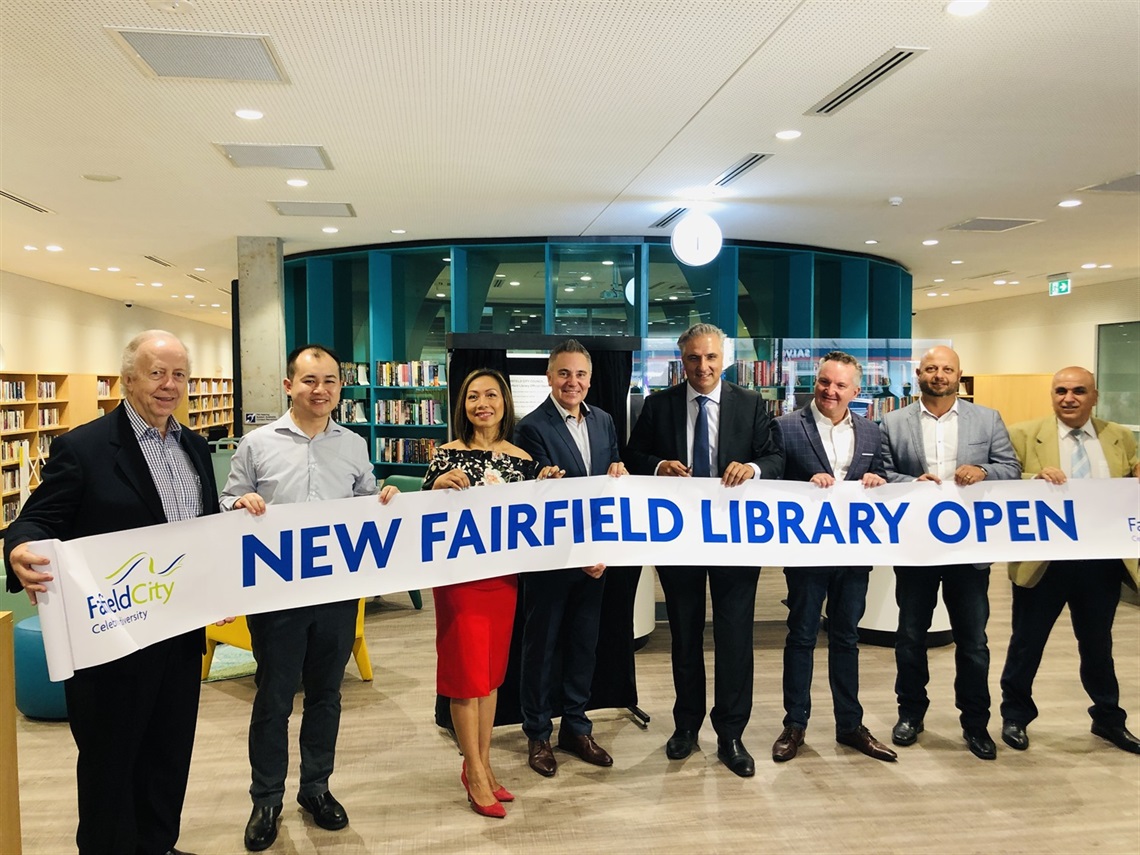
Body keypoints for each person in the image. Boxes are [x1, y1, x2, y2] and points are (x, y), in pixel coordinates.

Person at [3, 330, 219, 855]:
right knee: (109, 765)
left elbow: (204, 527)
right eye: (157, 373)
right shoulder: (83, 446)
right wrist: (20, 549)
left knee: (169, 755)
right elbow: (34, 522)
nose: (170, 386)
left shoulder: (194, 445)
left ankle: (158, 846)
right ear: (128, 378)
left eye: (180, 374)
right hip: (110, 641)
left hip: (180, 634)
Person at [221, 344, 399, 852]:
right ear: (288, 386)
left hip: (337, 593)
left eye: (330, 381)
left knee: (327, 694)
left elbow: (365, 498)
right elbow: (226, 500)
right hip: (276, 596)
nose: (320, 390)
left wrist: (382, 497)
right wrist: (239, 502)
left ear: (340, 388)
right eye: (309, 381)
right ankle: (267, 798)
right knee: (274, 697)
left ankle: (316, 789)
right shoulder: (256, 444)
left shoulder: (353, 443)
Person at [625, 323, 784, 777]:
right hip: (679, 541)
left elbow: (775, 458)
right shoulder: (658, 405)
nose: (703, 367)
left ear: (725, 359)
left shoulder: (752, 404)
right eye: (694, 358)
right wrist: (658, 465)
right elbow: (634, 456)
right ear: (682, 359)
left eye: (711, 358)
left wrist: (752, 467)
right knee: (684, 636)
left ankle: (731, 733)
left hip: (737, 541)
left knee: (736, 638)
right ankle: (686, 726)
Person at [424, 368, 563, 817]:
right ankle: (475, 771)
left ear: (504, 402)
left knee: (490, 675)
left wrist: (550, 490)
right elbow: (420, 523)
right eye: (472, 397)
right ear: (462, 406)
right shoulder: (444, 456)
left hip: (502, 582)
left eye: (491, 395)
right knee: (467, 675)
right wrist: (435, 490)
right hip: (459, 582)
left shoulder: (522, 461)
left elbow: (533, 524)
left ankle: (481, 763)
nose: (482, 403)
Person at [879, 345, 1020, 760]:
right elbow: (883, 474)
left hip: (970, 550)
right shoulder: (892, 421)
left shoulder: (987, 418)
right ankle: (910, 714)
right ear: (918, 374)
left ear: (959, 375)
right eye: (931, 368)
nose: (939, 375)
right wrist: (909, 481)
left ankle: (975, 723)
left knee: (973, 642)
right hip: (917, 549)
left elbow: (1010, 468)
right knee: (909, 637)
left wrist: (985, 471)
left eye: (947, 369)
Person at [998, 366, 1140, 754]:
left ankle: (1108, 719)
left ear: (1095, 396)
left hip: (1101, 561)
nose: (1069, 398)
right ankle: (1015, 717)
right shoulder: (1024, 434)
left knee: (1098, 644)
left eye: (1079, 391)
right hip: (1044, 560)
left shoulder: (1120, 437)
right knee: (1027, 643)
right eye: (1060, 390)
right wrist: (1034, 478)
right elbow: (1004, 483)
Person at [770, 352, 896, 764]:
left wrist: (878, 481)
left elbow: (884, 478)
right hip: (806, 553)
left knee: (846, 638)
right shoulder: (786, 427)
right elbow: (770, 484)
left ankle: (850, 725)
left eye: (841, 385)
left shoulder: (873, 433)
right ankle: (795, 724)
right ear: (816, 382)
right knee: (801, 636)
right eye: (825, 382)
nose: (831, 391)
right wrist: (802, 485)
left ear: (856, 392)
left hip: (855, 555)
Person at [514, 339, 627, 777]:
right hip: (550, 561)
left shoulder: (604, 421)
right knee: (541, 648)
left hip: (595, 560)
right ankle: (538, 734)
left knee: (585, 644)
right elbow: (540, 499)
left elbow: (610, 476)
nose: (572, 382)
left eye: (580, 374)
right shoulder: (531, 427)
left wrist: (617, 469)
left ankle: (576, 727)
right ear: (549, 377)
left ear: (590, 378)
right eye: (564, 373)